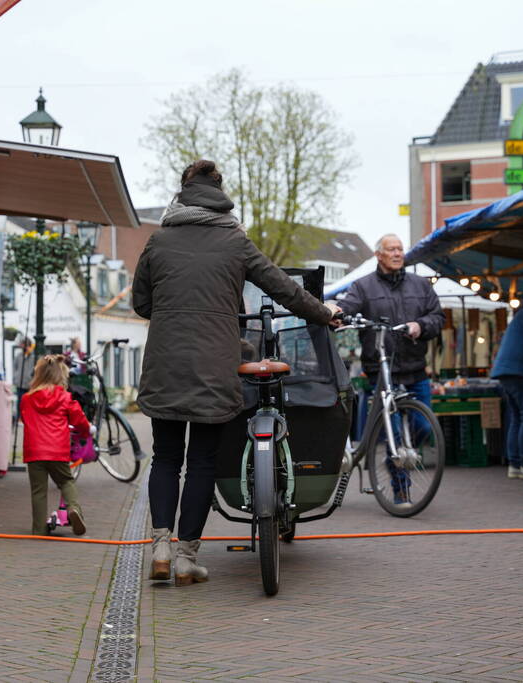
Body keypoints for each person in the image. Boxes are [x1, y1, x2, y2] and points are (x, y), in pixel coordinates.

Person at [132, 159, 341, 586]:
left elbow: (141, 304)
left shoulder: (158, 241)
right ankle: (187, 557)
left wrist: (174, 313)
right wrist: (325, 314)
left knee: (166, 457)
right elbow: (283, 287)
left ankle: (159, 546)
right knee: (202, 461)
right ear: (220, 194)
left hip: (165, 363)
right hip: (214, 366)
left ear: (183, 193)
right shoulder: (235, 242)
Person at [335, 234, 444, 507]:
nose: (397, 253)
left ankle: (403, 452)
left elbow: (437, 317)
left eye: (400, 249)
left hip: (416, 369)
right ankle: (401, 489)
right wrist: (334, 313)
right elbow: (345, 309)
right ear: (378, 255)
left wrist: (421, 325)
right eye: (391, 249)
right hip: (381, 371)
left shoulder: (421, 285)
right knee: (393, 433)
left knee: (423, 426)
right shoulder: (362, 287)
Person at [21, 354, 93, 536]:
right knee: (66, 481)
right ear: (60, 375)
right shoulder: (65, 397)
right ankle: (73, 509)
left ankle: (38, 529)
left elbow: (24, 419)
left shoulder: (27, 399)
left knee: (38, 491)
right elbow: (79, 420)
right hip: (57, 451)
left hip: (34, 452)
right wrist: (89, 430)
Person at [491, 294, 523, 480]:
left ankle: (514, 464)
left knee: (516, 416)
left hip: (504, 370)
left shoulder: (521, 312)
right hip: (519, 370)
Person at [12, 337, 36, 419]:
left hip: (29, 384)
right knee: (20, 402)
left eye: (24, 345)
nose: (22, 347)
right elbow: (14, 367)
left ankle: (28, 417)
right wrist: (15, 377)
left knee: (29, 403)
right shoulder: (19, 356)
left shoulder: (33, 356)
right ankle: (19, 418)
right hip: (20, 383)